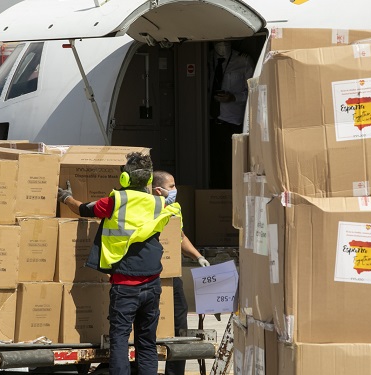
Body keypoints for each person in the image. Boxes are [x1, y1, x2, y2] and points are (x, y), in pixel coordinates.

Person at [57, 152, 181, 375]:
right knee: (147, 342)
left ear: (124, 179)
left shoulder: (115, 201)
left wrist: (66, 197)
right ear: (149, 181)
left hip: (125, 286)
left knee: (120, 341)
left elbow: (84, 209)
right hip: (152, 284)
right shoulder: (158, 203)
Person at [152, 170, 210, 375]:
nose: (175, 190)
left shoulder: (175, 208)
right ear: (158, 190)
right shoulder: (146, 208)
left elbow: (180, 236)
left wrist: (198, 256)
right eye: (172, 186)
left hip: (171, 273)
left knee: (179, 319)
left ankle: (175, 372)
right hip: (148, 274)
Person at [209, 41, 253, 189]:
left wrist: (233, 97)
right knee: (212, 164)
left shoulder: (244, 60)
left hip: (232, 122)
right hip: (209, 120)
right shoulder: (207, 58)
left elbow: (254, 91)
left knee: (230, 163)